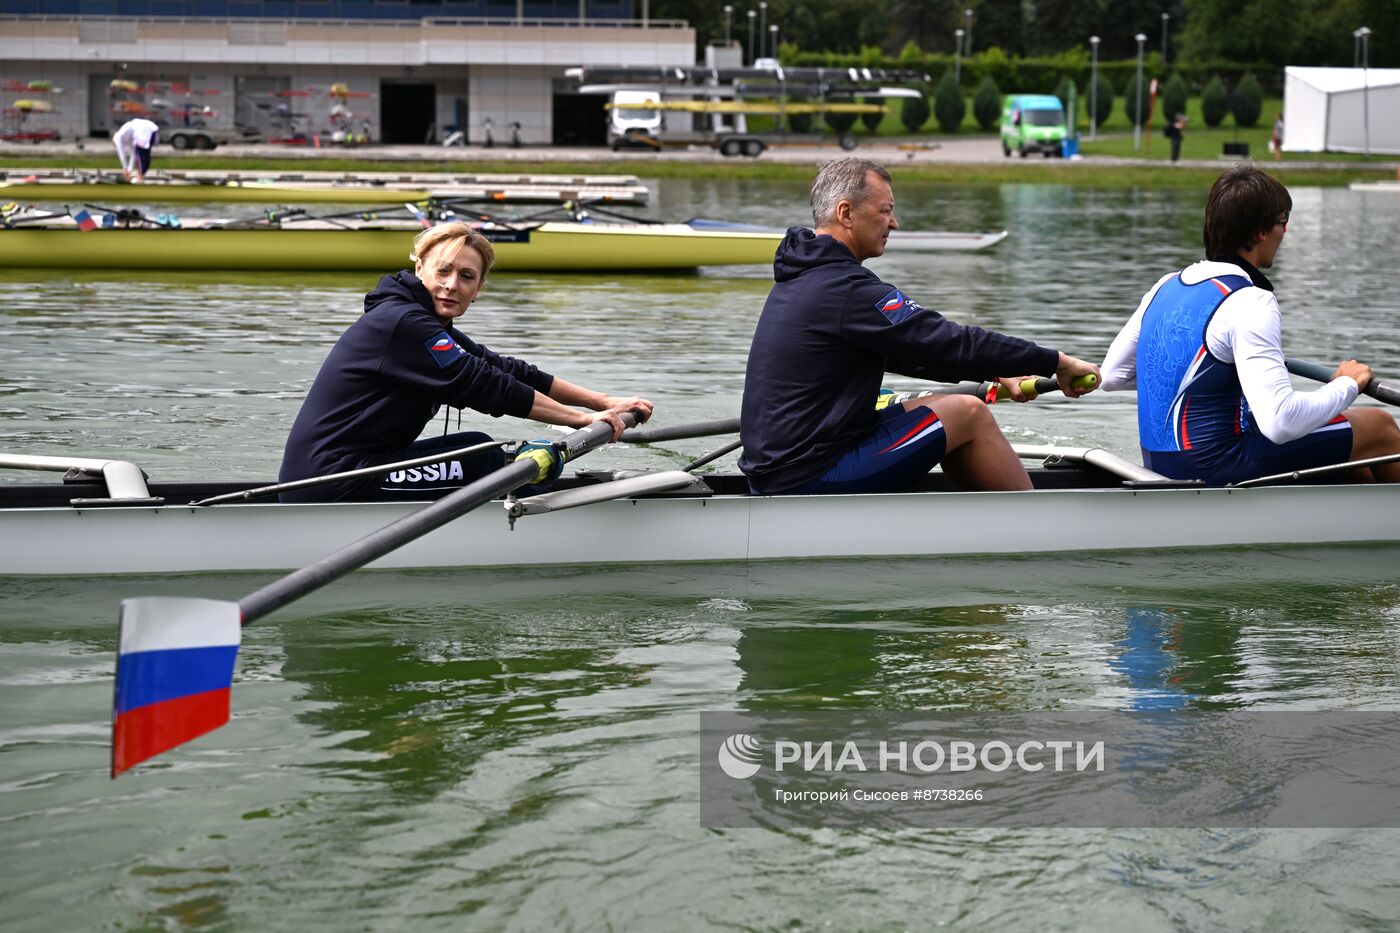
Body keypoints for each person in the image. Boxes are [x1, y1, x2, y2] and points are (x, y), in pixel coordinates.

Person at [738, 157, 1101, 496]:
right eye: (885, 211)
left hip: (782, 467)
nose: (893, 223)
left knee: (946, 404)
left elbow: (916, 353)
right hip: (807, 474)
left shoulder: (803, 277)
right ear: (846, 213)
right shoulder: (846, 289)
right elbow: (948, 340)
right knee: (969, 413)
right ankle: (1039, 528)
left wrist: (999, 369)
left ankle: (983, 517)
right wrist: (1056, 361)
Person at [278, 222, 652, 502]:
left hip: (354, 469)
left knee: (481, 450)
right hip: (330, 481)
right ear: (419, 268)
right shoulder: (401, 323)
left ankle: (522, 479)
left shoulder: (425, 325)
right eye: (443, 270)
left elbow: (506, 370)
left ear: (478, 289)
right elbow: (487, 386)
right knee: (482, 457)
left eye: (466, 276)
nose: (451, 284)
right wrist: (583, 422)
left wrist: (602, 403)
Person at [1100, 164, 1400, 485]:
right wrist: (1347, 384)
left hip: (1160, 462)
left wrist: (1211, 381)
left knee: (1346, 441)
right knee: (1378, 427)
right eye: (1282, 223)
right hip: (1215, 467)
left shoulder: (1166, 285)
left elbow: (1112, 376)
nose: (1285, 232)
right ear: (1260, 233)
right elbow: (1281, 421)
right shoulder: (1250, 301)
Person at [112, 117, 160, 183]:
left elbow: (122, 155)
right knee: (145, 155)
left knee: (141, 155)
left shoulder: (118, 138)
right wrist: (129, 170)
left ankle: (140, 178)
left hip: (144, 130)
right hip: (153, 129)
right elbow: (133, 155)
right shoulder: (128, 137)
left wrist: (125, 169)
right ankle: (141, 177)